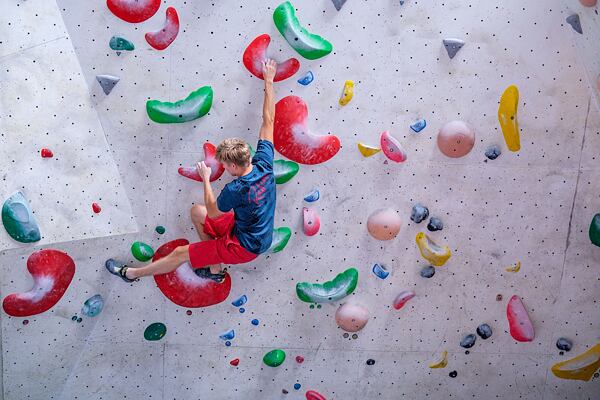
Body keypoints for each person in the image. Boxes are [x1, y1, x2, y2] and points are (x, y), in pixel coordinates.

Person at [106, 59, 278, 283]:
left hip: (243, 246)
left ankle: (131, 274)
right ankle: (214, 269)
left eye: (225, 166)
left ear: (234, 166)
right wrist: (269, 80)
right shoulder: (264, 163)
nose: (223, 169)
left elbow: (215, 212)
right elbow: (269, 120)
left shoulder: (236, 188)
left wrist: (206, 179)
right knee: (197, 213)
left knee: (180, 253)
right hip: (251, 230)